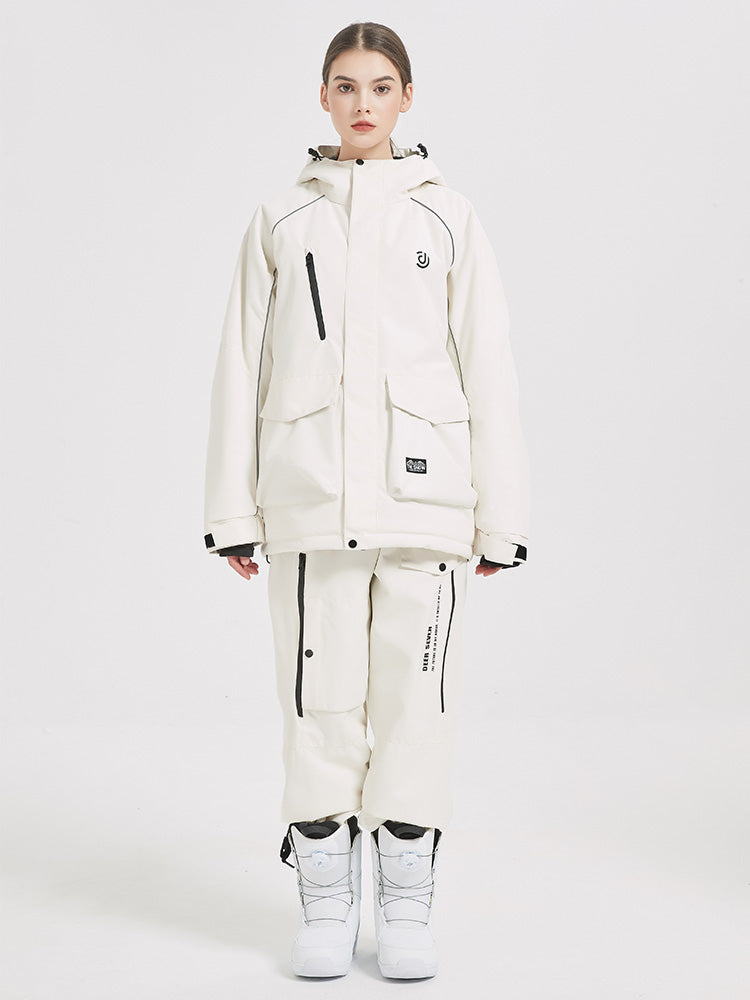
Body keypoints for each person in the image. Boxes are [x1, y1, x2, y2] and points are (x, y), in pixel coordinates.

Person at [202, 21, 530, 981]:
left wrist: (502, 518)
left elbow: (489, 365)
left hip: (427, 505)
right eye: (345, 86)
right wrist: (233, 511)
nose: (361, 104)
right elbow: (239, 366)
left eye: (380, 87)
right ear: (322, 96)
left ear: (406, 98)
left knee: (418, 706)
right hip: (309, 503)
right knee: (320, 707)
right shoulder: (281, 220)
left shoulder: (448, 218)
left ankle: (408, 902)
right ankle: (326, 900)